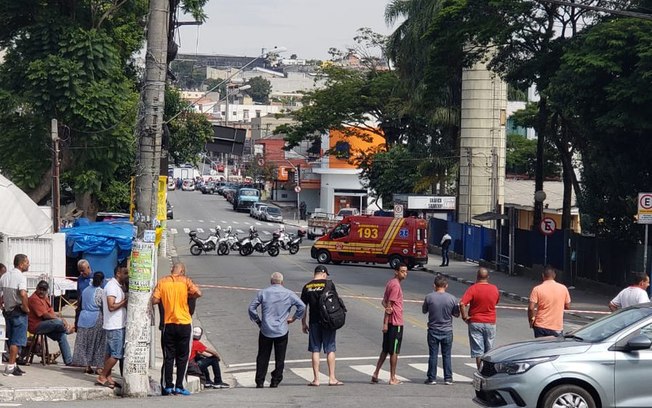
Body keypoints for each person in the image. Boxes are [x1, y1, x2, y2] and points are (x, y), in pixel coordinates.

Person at [152, 262, 202, 396]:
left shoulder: (162, 282)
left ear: (172, 270)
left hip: (168, 323)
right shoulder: (186, 282)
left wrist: (166, 300)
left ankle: (167, 386)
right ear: (182, 271)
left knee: (168, 357)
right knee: (183, 357)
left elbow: (155, 300)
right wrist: (187, 296)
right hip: (185, 323)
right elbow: (198, 293)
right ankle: (179, 386)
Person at [248, 272, 305, 389]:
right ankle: (276, 380)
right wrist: (294, 318)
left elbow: (251, 308)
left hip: (266, 329)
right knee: (280, 357)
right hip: (281, 329)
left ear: (271, 282)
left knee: (263, 356)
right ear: (282, 282)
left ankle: (260, 380)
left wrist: (258, 321)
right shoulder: (289, 293)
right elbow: (302, 306)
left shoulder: (263, 292)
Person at [300, 265, 343, 387]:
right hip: (328, 321)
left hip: (314, 321)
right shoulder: (329, 284)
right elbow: (335, 302)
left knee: (315, 349)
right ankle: (332, 378)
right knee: (330, 349)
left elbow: (303, 307)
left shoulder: (307, 287)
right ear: (323, 274)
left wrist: (303, 322)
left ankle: (316, 379)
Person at [371, 263, 408, 385]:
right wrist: (385, 323)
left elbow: (384, 302)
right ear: (396, 272)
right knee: (394, 351)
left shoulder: (390, 283)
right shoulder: (396, 286)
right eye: (402, 271)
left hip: (391, 322)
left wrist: (386, 321)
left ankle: (376, 373)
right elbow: (388, 306)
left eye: (406, 271)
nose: (405, 274)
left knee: (385, 350)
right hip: (395, 323)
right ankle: (392, 378)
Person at [459, 267, 500, 369]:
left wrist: (464, 317)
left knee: (478, 351)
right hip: (490, 322)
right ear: (488, 277)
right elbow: (496, 301)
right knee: (489, 350)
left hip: (475, 321)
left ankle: (480, 372)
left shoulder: (473, 288)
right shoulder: (494, 289)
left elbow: (462, 303)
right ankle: (488, 372)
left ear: (477, 277)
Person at [422, 275, 459, 385]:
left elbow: (424, 310)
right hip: (447, 330)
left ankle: (432, 378)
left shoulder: (429, 297)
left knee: (433, 354)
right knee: (447, 355)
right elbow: (456, 314)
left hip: (433, 329)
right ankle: (448, 378)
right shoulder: (452, 298)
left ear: (434, 285)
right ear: (446, 286)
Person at [97, 265, 128, 389]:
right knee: (116, 354)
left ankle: (108, 376)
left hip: (116, 324)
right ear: (118, 274)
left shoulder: (117, 287)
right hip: (115, 326)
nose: (127, 275)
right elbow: (111, 306)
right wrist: (124, 302)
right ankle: (102, 375)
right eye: (125, 273)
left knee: (109, 353)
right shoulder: (111, 287)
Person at [27, 280, 73, 365]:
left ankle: (69, 361)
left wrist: (60, 318)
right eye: (40, 289)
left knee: (62, 335)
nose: (41, 291)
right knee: (58, 322)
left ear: (46, 290)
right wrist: (61, 320)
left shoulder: (45, 298)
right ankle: (67, 330)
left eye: (44, 289)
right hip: (36, 326)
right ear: (36, 288)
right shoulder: (34, 299)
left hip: (46, 324)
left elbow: (51, 312)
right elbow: (45, 315)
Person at [0, 254, 30, 376]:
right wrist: (26, 307)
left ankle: (15, 365)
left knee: (11, 338)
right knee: (16, 341)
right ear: (21, 264)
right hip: (18, 311)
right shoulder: (21, 277)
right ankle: (11, 366)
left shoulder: (4, 276)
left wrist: (2, 306)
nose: (28, 265)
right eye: (27, 262)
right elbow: (23, 293)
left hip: (7, 311)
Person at [72, 271, 106, 374]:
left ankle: (87, 365)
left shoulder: (85, 290)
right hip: (96, 318)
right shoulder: (100, 292)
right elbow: (103, 306)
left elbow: (80, 304)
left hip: (83, 318)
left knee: (85, 343)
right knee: (98, 343)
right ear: (102, 281)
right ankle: (99, 366)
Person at [528, 266, 571, 338]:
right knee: (554, 348)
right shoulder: (563, 288)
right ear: (554, 276)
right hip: (556, 327)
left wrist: (531, 320)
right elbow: (568, 306)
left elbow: (531, 308)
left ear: (543, 276)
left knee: (540, 348)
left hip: (540, 325)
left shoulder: (537, 289)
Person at [75, 259, 93, 330]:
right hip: (81, 309)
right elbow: (78, 293)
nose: (81, 273)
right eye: (80, 271)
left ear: (88, 267)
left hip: (91, 310)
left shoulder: (96, 278)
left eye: (83, 270)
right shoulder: (79, 279)